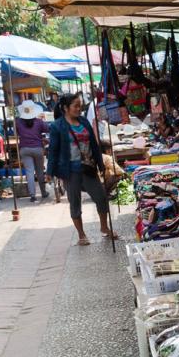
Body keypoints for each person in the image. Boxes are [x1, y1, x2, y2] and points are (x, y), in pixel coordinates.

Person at [47, 92, 115, 246]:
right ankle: (81, 235)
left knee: (101, 197)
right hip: (70, 170)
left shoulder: (84, 122)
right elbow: (53, 150)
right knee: (75, 202)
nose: (79, 109)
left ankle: (104, 227)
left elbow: (94, 145)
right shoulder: (57, 126)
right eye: (75, 106)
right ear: (65, 108)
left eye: (80, 106)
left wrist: (101, 164)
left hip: (89, 167)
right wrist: (49, 172)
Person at [16, 101, 50, 203]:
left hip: (24, 149)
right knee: (40, 171)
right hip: (38, 149)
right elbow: (48, 129)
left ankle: (32, 195)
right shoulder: (39, 122)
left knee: (29, 172)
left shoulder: (18, 122)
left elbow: (17, 132)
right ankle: (43, 192)